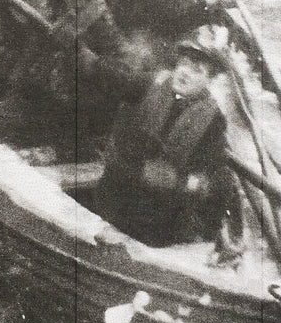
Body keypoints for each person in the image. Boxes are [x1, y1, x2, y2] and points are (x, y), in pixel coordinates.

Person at [93, 27, 243, 250]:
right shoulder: (151, 84)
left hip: (156, 211)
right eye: (183, 64)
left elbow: (210, 180)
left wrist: (174, 181)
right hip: (117, 186)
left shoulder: (213, 121)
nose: (184, 73)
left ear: (208, 80)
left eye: (196, 70)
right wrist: (88, 59)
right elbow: (117, 78)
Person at [0, 0, 121, 151]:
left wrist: (77, 49)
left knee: (0, 134)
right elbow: (23, 38)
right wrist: (0, 6)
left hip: (65, 110)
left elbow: (110, 78)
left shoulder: (101, 24)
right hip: (32, 91)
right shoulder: (55, 5)